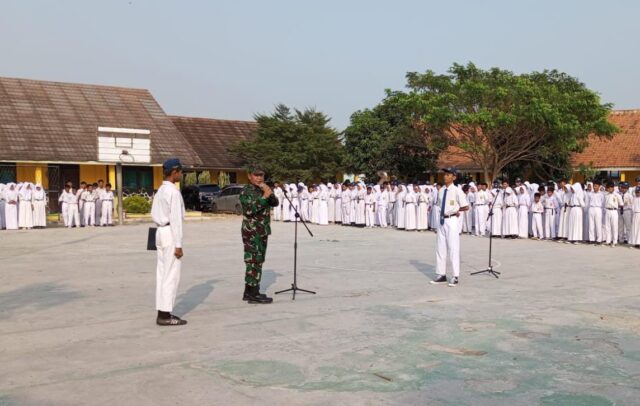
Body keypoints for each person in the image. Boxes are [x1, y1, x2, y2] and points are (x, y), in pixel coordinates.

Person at [151, 158, 187, 326]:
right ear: (174, 172)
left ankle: (162, 310)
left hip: (160, 231)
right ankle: (165, 315)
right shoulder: (173, 191)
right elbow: (176, 220)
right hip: (170, 233)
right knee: (171, 275)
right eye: (180, 171)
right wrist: (178, 245)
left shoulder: (160, 190)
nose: (181, 174)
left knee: (162, 273)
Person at [240, 167, 279, 304]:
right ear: (250, 176)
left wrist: (269, 192)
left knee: (259, 259)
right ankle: (253, 293)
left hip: (262, 230)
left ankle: (248, 291)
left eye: (261, 175)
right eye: (256, 175)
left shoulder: (262, 189)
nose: (259, 178)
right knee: (253, 260)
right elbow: (249, 210)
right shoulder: (247, 190)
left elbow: (275, 203)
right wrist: (264, 197)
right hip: (252, 231)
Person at [430, 168, 469, 287]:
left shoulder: (457, 191)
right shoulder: (441, 190)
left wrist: (456, 210)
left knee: (453, 248)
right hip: (442, 220)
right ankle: (441, 274)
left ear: (454, 177)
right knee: (440, 248)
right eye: (445, 174)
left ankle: (455, 276)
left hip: (452, 220)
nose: (445, 176)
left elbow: (466, 207)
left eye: (448, 175)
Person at [604, 181, 623, 247]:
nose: (608, 190)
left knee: (614, 227)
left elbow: (621, 204)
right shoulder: (606, 195)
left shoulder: (617, 195)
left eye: (609, 188)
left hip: (614, 211)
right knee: (607, 227)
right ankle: (608, 241)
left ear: (613, 188)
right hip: (607, 210)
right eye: (607, 188)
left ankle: (614, 241)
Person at [587, 180, 604, 244]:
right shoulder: (590, 194)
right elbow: (588, 202)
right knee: (591, 225)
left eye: (596, 186)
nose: (594, 187)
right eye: (594, 186)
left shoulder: (601, 194)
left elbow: (603, 203)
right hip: (591, 208)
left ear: (599, 186)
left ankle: (599, 239)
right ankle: (591, 239)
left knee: (598, 224)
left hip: (598, 209)